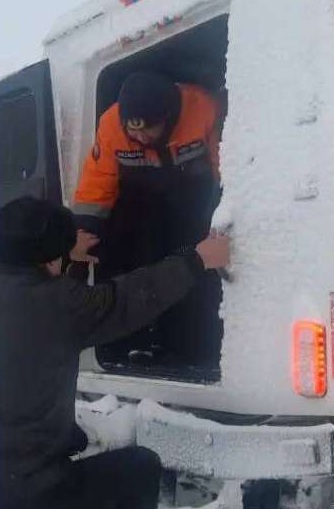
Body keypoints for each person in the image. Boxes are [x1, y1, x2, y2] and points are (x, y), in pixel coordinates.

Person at [0, 196, 230, 509]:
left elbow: (34, 303)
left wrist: (59, 257)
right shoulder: (62, 305)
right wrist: (198, 259)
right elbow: (131, 298)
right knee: (140, 468)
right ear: (52, 259)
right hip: (26, 503)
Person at [71, 71, 224, 371]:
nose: (139, 137)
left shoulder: (204, 108)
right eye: (133, 131)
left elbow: (226, 167)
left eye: (148, 131)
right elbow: (97, 183)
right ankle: (132, 346)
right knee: (132, 261)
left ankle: (190, 348)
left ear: (168, 117)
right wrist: (81, 235)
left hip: (194, 202)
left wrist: (224, 219)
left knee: (196, 272)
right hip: (143, 206)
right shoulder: (112, 125)